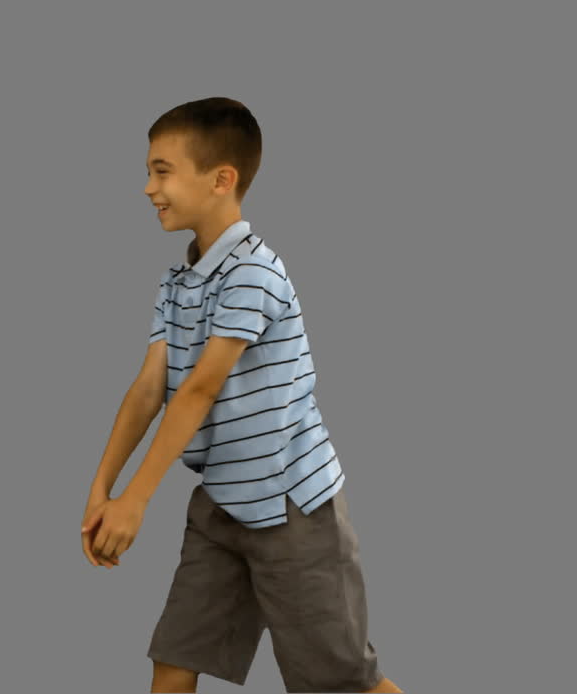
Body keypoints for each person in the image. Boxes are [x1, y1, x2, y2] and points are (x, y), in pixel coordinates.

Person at [79, 97, 401, 693]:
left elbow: (199, 388)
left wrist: (137, 501)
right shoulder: (177, 282)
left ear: (221, 178)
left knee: (342, 680)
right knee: (175, 658)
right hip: (221, 508)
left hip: (291, 509)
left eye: (162, 170)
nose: (149, 187)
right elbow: (150, 388)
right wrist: (103, 489)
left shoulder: (254, 272)